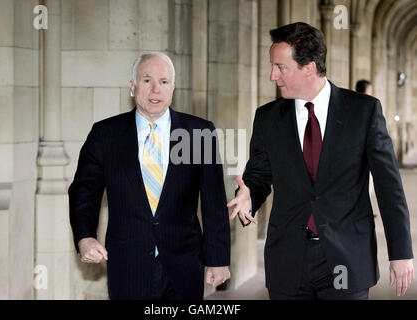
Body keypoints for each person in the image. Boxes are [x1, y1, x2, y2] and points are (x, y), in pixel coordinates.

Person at [228, 22, 414, 300]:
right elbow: (258, 176)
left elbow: (390, 188)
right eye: (272, 66)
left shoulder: (363, 112)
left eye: (281, 67)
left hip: (347, 258)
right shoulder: (268, 117)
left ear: (310, 67)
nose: (272, 76)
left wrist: (400, 253)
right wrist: (248, 198)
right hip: (288, 260)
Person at [69, 52, 230, 300]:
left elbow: (214, 201)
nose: (156, 89)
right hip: (128, 265)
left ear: (173, 88)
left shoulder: (198, 132)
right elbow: (84, 191)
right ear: (132, 87)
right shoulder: (105, 134)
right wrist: (85, 236)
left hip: (185, 265)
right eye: (147, 80)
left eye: (164, 82)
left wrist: (218, 259)